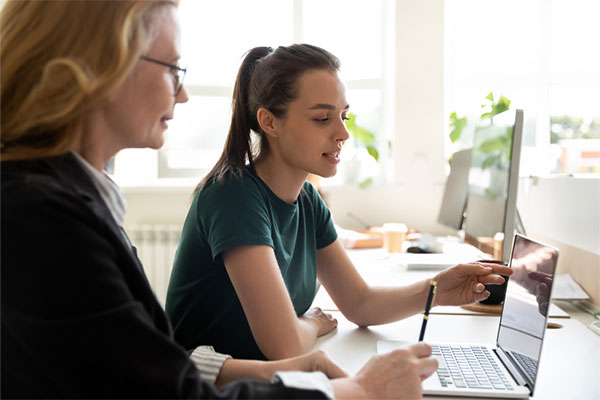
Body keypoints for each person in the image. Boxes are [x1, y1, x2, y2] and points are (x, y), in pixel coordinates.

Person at [0, 1, 439, 398]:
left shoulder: (67, 203)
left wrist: (290, 373)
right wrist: (358, 390)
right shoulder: (43, 219)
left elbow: (144, 364)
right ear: (99, 67)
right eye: (172, 68)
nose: (183, 93)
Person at [165, 44, 513, 361]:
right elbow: (285, 347)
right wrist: (313, 324)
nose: (343, 133)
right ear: (269, 121)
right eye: (322, 118)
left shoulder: (307, 200)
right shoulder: (233, 196)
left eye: (343, 116)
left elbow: (359, 303)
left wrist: (437, 289)